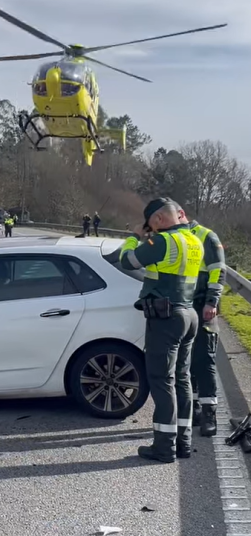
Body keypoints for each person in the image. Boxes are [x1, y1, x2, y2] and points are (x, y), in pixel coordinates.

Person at [120, 198, 203, 463]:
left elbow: (128, 261)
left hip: (166, 317)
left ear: (157, 220)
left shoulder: (163, 241)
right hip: (189, 315)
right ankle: (183, 442)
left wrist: (135, 237)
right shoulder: (194, 240)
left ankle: (164, 447)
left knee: (161, 379)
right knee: (182, 378)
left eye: (151, 226)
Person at [170, 201, 225, 437]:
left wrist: (212, 302)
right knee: (186, 362)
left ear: (181, 215)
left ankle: (209, 413)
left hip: (204, 307)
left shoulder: (206, 236)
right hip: (185, 309)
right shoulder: (174, 238)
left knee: (205, 361)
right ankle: (192, 409)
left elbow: (218, 270)